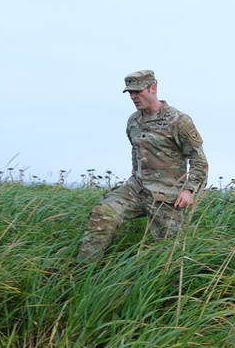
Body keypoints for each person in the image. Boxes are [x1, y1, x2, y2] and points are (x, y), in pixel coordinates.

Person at [76, 70, 209, 263]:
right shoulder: (133, 121)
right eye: (130, 93)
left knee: (168, 253)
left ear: (153, 89)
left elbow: (199, 160)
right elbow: (136, 153)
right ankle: (83, 270)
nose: (133, 97)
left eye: (138, 91)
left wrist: (189, 190)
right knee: (102, 214)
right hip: (136, 189)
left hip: (166, 195)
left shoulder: (179, 121)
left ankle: (168, 286)